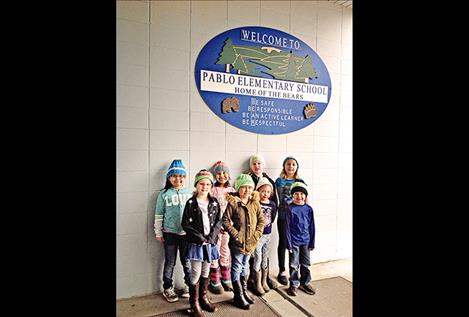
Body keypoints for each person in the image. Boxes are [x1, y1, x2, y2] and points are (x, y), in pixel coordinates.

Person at [182, 170, 223, 317]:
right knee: (196, 272)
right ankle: (194, 305)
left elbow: (219, 221)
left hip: (210, 242)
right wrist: (199, 238)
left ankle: (203, 298)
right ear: (196, 185)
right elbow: (185, 224)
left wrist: (212, 237)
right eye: (201, 184)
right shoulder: (191, 203)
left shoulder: (214, 202)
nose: (204, 187)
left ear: (211, 186)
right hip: (196, 243)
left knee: (206, 270)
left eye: (207, 184)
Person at [223, 174, 264, 310]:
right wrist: (236, 235)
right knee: (236, 267)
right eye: (244, 187)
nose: (247, 190)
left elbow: (261, 221)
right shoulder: (233, 203)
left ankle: (244, 291)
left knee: (244, 267)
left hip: (251, 243)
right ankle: (238, 295)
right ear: (238, 188)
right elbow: (226, 221)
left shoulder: (255, 203)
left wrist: (257, 235)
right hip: (238, 243)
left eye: (249, 187)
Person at [154, 159, 193, 302]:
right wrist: (158, 232)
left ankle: (189, 285)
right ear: (169, 177)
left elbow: (195, 214)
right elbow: (159, 214)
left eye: (181, 176)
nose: (178, 179)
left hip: (186, 235)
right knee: (170, 262)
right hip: (169, 234)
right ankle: (168, 288)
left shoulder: (190, 193)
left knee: (186, 261)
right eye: (175, 176)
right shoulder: (164, 194)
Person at [246, 154, 279, 290]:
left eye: (259, 163)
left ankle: (266, 278)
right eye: (254, 163)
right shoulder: (248, 179)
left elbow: (274, 203)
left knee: (264, 252)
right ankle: (252, 279)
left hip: (266, 226)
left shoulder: (269, 180)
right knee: (254, 252)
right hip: (253, 224)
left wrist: (269, 221)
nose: (257, 166)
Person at [275, 156, 306, 286]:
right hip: (283, 217)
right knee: (283, 242)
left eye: (293, 164)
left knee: (295, 245)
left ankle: (295, 272)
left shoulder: (300, 181)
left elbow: (304, 199)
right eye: (288, 164)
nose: (291, 166)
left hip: (296, 219)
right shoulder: (279, 181)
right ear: (284, 166)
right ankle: (282, 271)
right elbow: (279, 197)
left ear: (296, 167)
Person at [285, 182, 316, 296]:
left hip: (306, 241)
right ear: (292, 195)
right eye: (296, 194)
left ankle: (305, 282)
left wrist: (312, 242)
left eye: (302, 194)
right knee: (294, 264)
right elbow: (287, 228)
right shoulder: (290, 209)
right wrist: (289, 244)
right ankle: (294, 284)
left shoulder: (309, 209)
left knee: (306, 263)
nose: (299, 196)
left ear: (305, 195)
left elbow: (312, 226)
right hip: (294, 242)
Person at [208, 161, 235, 294]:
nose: (222, 175)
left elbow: (235, 210)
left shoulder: (232, 191)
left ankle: (226, 277)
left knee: (225, 250)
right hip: (215, 227)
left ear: (228, 175)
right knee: (215, 250)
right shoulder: (212, 190)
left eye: (224, 173)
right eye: (219, 173)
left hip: (228, 226)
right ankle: (214, 279)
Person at [251, 177, 277, 296]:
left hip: (268, 234)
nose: (265, 194)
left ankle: (264, 280)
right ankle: (257, 283)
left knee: (265, 257)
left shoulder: (272, 204)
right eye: (263, 191)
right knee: (258, 257)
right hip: (258, 236)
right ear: (258, 191)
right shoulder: (255, 204)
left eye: (268, 191)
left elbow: (273, 217)